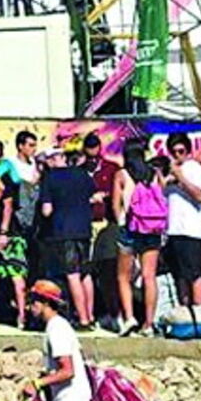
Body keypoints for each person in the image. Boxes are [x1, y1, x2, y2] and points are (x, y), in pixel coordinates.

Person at [39, 140, 97, 328]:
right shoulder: (82, 174)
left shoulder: (50, 178)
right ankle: (91, 315)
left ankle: (82, 319)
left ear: (52, 160)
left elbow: (47, 210)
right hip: (84, 229)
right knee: (85, 274)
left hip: (63, 231)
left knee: (72, 274)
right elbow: (93, 196)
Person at [114, 141, 167, 336]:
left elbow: (116, 205)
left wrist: (119, 222)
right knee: (149, 276)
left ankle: (129, 318)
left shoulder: (122, 175)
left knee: (123, 276)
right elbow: (162, 198)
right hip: (152, 229)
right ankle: (149, 323)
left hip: (130, 227)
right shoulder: (155, 173)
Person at [162, 132, 201, 307]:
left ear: (188, 151)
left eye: (181, 151)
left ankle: (199, 310)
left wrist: (180, 178)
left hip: (191, 230)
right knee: (180, 275)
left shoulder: (194, 169)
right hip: (174, 230)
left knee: (194, 273)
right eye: (173, 152)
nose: (177, 155)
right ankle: (185, 308)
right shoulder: (170, 172)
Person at [81, 132, 121, 319]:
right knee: (87, 268)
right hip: (86, 224)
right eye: (88, 151)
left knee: (108, 268)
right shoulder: (79, 171)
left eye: (94, 150)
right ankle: (90, 313)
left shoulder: (112, 169)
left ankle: (113, 312)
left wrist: (105, 195)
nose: (92, 157)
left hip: (107, 224)